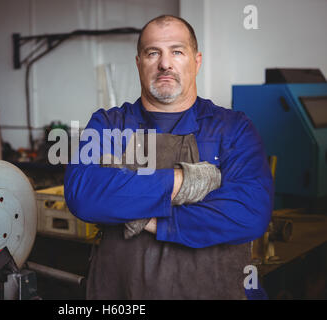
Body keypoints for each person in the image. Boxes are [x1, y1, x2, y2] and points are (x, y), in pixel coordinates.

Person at [64, 15, 273, 299]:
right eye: (153, 53)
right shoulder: (109, 124)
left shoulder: (233, 128)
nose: (165, 63)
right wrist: (182, 180)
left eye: (177, 51)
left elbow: (250, 214)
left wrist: (150, 221)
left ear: (196, 61)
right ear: (139, 62)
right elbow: (83, 195)